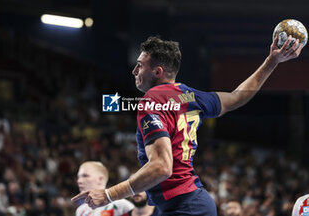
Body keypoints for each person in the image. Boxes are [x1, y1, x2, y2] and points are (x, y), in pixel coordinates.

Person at [72, 35, 302, 216]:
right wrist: (272, 61)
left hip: (185, 207)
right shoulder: (189, 96)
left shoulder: (151, 101)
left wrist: (109, 194)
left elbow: (162, 167)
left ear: (158, 71)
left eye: (140, 65)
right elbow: (237, 97)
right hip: (186, 205)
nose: (134, 71)